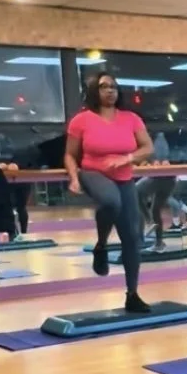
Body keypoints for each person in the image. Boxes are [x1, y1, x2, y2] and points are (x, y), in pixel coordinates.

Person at [64, 70, 156, 313]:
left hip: (124, 178)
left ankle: (132, 294)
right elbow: (70, 155)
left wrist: (127, 158)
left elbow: (147, 147)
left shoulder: (130, 118)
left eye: (114, 86)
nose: (110, 90)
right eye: (105, 86)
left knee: (132, 239)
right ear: (95, 91)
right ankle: (102, 244)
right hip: (93, 173)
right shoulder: (81, 120)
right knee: (110, 201)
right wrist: (74, 178)